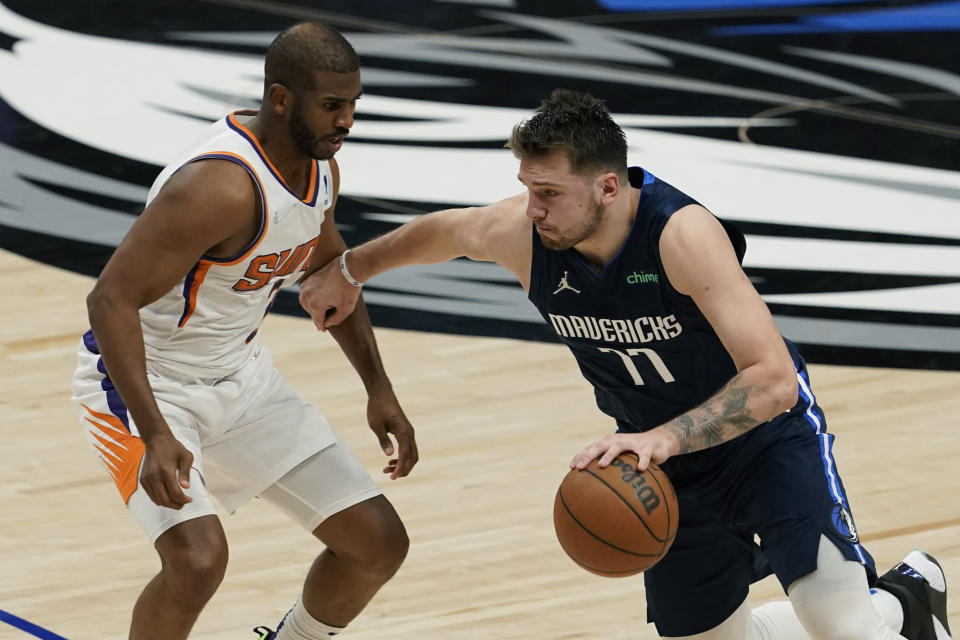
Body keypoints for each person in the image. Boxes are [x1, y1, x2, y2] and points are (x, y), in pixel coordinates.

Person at [298, 89, 951, 640]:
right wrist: (349, 270)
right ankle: (895, 600)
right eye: (527, 189)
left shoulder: (682, 236)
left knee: (840, 627)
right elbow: (448, 232)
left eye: (549, 192)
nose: (533, 209)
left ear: (607, 187)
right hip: (660, 473)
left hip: (764, 447)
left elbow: (774, 380)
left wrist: (662, 438)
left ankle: (904, 600)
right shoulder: (527, 235)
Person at [70, 22, 418, 640]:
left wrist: (378, 387)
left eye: (353, 105)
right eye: (332, 106)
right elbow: (110, 300)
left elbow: (329, 272)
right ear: (282, 100)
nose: (347, 122)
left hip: (243, 377)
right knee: (197, 560)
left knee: (377, 543)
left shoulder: (319, 168)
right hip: (148, 384)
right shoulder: (218, 187)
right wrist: (153, 432)